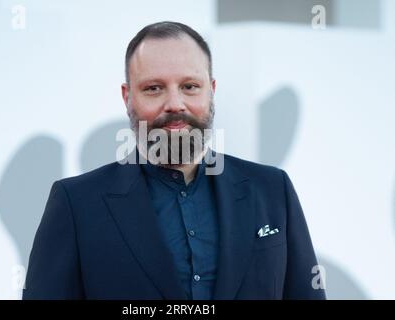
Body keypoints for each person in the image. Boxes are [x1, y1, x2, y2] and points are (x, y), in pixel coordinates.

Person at [23, 21, 326, 300]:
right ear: (128, 97)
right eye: (153, 88)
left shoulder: (273, 189)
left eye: (189, 86)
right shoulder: (76, 204)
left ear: (212, 91)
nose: (175, 104)